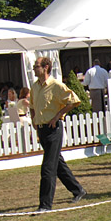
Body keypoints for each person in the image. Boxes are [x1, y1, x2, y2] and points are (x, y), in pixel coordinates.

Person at [30, 56, 87, 211]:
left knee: (48, 167)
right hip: (42, 129)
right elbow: (32, 105)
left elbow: (73, 101)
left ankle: (45, 205)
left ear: (45, 67)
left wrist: (57, 116)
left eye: (36, 66)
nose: (34, 68)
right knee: (58, 164)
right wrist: (34, 119)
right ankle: (78, 190)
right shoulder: (34, 87)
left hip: (53, 129)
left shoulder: (56, 85)